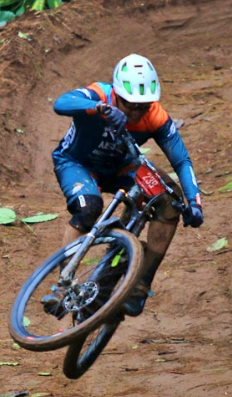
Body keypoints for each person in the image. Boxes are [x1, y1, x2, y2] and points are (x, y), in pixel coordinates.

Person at [44, 53, 204, 317]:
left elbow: (181, 161)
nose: (136, 111)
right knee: (89, 210)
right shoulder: (99, 95)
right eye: (130, 105)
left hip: (121, 167)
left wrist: (194, 201)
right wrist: (100, 109)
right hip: (77, 163)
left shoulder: (155, 116)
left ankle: (140, 286)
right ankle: (63, 286)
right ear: (117, 94)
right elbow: (61, 103)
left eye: (144, 105)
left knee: (169, 204)